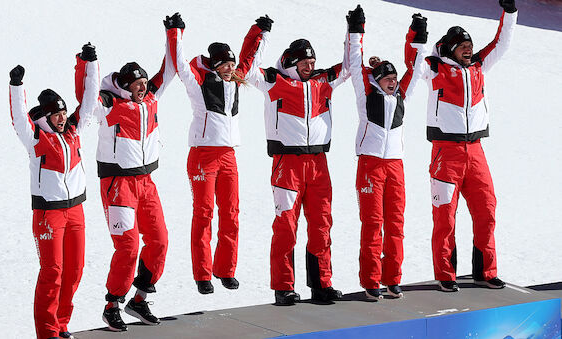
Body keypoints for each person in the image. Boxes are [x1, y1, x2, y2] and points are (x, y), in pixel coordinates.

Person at [411, 0, 517, 292]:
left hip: (476, 151)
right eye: (462, 47)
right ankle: (446, 274)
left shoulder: (480, 65)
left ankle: (486, 271)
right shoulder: (434, 69)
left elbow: (501, 43)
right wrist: (416, 36)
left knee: (487, 209)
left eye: (469, 45)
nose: (468, 50)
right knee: (444, 216)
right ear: (449, 49)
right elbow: (413, 63)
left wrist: (509, 13)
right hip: (446, 152)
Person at [74, 27, 176, 330]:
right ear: (125, 85)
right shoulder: (110, 103)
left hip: (146, 183)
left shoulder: (151, 99)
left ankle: (140, 299)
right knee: (128, 247)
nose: (143, 88)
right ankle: (112, 304)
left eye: (145, 83)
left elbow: (168, 70)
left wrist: (174, 33)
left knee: (159, 241)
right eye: (138, 84)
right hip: (118, 185)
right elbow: (86, 98)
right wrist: (87, 65)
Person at [165, 13, 272, 294]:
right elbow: (179, 64)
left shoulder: (236, 80)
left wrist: (260, 31)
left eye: (231, 63)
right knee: (204, 213)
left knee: (231, 213)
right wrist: (176, 31)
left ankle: (225, 269)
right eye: (224, 64)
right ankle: (202, 274)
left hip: (228, 156)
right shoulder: (198, 82)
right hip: (203, 156)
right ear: (214, 65)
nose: (229, 68)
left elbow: (251, 58)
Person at [245, 20, 349, 306]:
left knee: (322, 224)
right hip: (286, 164)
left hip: (318, 163)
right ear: (292, 61)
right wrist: (259, 33)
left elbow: (351, 66)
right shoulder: (272, 81)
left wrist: (354, 30)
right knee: (286, 226)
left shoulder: (322, 81)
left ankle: (321, 284)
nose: (310, 64)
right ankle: (283, 287)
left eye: (312, 60)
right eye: (305, 61)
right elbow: (248, 69)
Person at [9, 43, 96, 339]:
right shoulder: (36, 139)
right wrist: (16, 85)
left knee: (75, 270)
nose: (62, 117)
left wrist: (91, 63)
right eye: (56, 114)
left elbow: (88, 102)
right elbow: (19, 118)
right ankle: (47, 332)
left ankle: (61, 323)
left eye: (62, 112)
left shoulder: (73, 131)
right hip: (49, 214)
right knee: (53, 273)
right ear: (45, 117)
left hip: (76, 211)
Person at [345, 6, 428, 301]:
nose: (392, 81)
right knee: (373, 223)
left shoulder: (401, 94)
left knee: (396, 224)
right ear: (376, 80)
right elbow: (355, 64)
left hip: (395, 167)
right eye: (386, 78)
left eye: (394, 77)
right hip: (370, 166)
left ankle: (392, 279)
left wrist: (418, 34)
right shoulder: (365, 95)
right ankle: (371, 281)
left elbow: (416, 68)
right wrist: (357, 29)